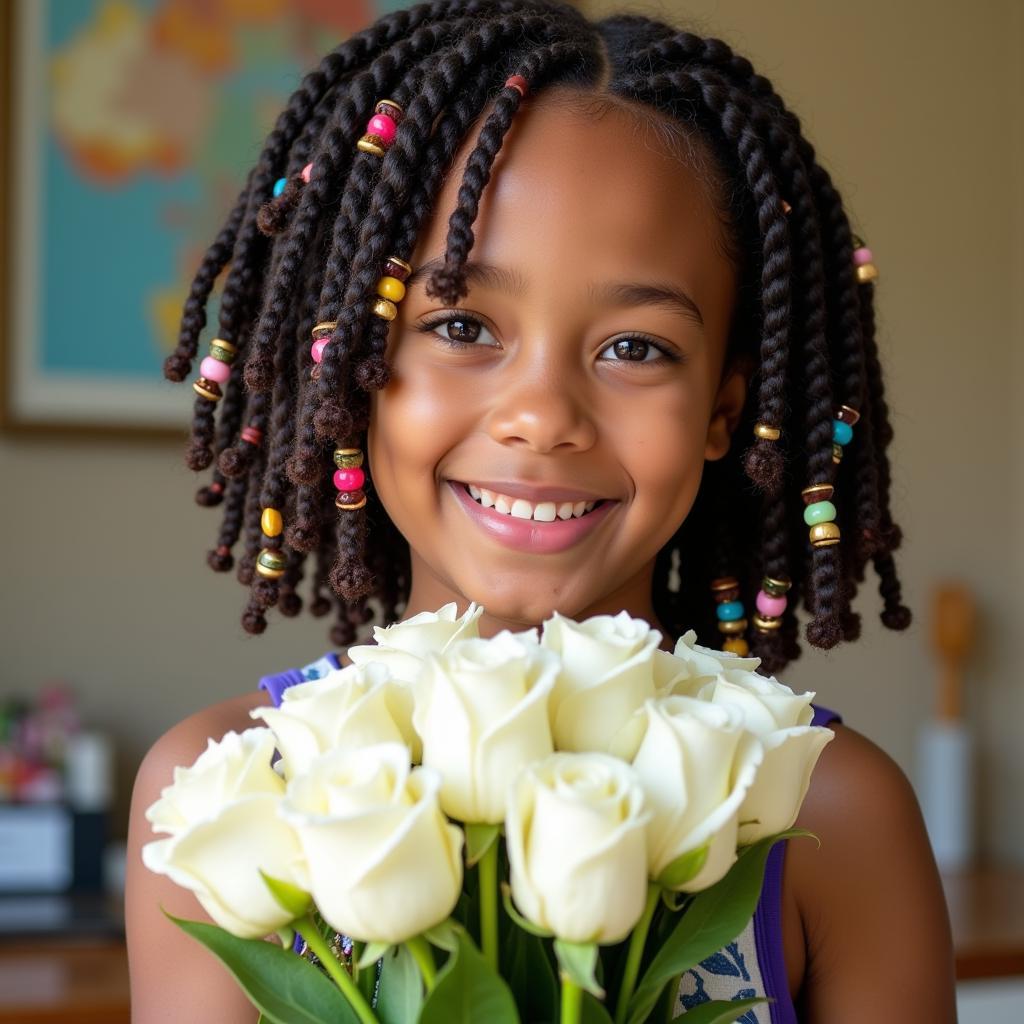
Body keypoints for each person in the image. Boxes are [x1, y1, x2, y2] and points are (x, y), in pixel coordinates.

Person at [125, 2, 956, 1020]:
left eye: (635, 347)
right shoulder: (228, 796)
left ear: (722, 412)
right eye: (462, 323)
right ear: (351, 367)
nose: (543, 417)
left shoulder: (827, 814)